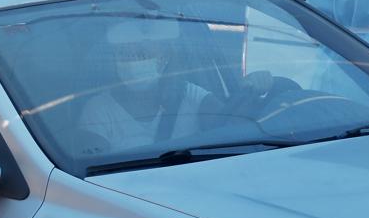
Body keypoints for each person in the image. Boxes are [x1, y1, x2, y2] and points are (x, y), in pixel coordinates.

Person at [77, 18, 274, 151]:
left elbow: (232, 129)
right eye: (125, 55)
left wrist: (252, 89)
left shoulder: (191, 96)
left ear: (164, 58)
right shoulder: (98, 110)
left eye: (144, 54)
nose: (133, 61)